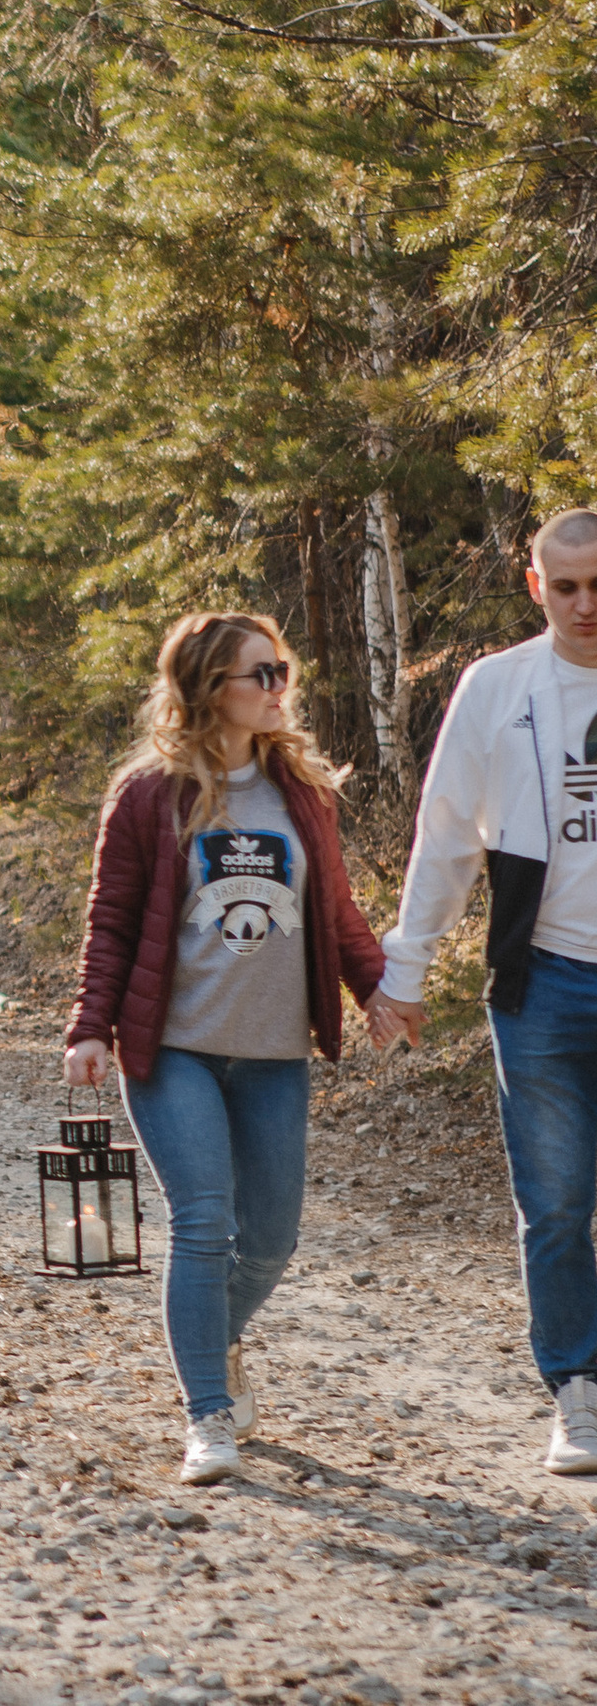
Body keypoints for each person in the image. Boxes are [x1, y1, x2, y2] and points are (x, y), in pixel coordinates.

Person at [65, 611, 391, 1486]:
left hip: (274, 1054)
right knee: (203, 1224)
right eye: (263, 674)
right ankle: (208, 1414)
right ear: (213, 690)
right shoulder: (147, 795)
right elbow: (112, 924)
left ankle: (210, 1334)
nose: (280, 688)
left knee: (273, 1241)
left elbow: (338, 912)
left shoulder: (303, 793)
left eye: (282, 671)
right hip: (176, 1050)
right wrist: (91, 1025)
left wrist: (377, 991)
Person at [371, 505, 597, 1474]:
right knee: (553, 1202)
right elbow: (446, 833)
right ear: (532, 584)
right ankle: (577, 1391)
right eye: (567, 585)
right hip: (540, 981)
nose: (585, 604)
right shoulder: (497, 687)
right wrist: (404, 969)